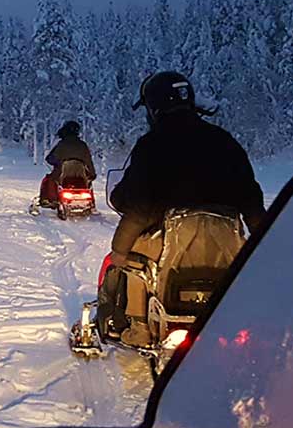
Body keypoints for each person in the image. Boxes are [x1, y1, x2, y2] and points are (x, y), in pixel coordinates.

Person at [104, 71, 264, 336]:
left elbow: (139, 208)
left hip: (166, 244)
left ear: (154, 107)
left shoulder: (151, 145)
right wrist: (265, 243)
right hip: (225, 245)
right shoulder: (224, 142)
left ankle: (138, 328)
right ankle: (245, 321)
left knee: (125, 261)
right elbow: (252, 202)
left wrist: (118, 250)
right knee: (250, 267)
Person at [38, 119, 96, 207]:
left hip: (62, 173)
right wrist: (92, 174)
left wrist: (57, 162)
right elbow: (89, 161)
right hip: (80, 174)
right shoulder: (82, 145)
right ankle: (91, 203)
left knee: (49, 180)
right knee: (88, 183)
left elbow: (49, 158)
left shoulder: (61, 144)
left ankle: (50, 200)